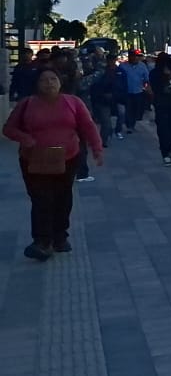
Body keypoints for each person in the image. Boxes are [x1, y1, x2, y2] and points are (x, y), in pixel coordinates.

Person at [4, 68, 104, 261]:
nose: (49, 83)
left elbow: (88, 126)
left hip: (67, 158)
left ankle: (60, 236)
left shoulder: (73, 102)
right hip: (34, 160)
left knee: (62, 198)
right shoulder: (27, 104)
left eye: (53, 79)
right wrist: (25, 138)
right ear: (37, 84)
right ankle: (42, 241)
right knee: (41, 199)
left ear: (60, 82)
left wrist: (97, 149)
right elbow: (9, 129)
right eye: (44, 80)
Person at [117, 50, 151, 137]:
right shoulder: (123, 66)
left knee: (136, 109)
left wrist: (147, 87)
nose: (134, 58)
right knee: (128, 108)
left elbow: (146, 78)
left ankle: (133, 123)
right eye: (131, 56)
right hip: (127, 92)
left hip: (138, 91)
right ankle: (129, 125)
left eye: (135, 56)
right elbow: (119, 78)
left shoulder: (142, 66)